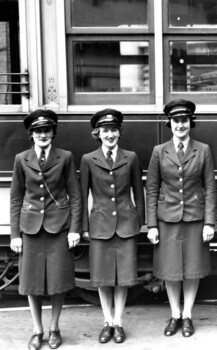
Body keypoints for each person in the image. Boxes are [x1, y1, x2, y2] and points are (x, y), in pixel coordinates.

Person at [10, 110, 82, 350]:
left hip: (58, 227)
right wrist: (14, 234)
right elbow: (16, 198)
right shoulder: (22, 159)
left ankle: (54, 328)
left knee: (57, 281)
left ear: (53, 133)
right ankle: (37, 329)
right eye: (38, 131)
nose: (43, 135)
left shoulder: (66, 157)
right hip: (30, 228)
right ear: (31, 134)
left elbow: (75, 195)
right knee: (32, 281)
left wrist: (74, 229)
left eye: (47, 130)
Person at [146, 99, 216, 338]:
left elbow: (210, 186)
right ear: (170, 123)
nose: (180, 125)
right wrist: (152, 225)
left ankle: (187, 315)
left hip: (195, 218)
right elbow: (152, 188)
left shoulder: (203, 149)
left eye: (184, 120)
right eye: (176, 121)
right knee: (171, 269)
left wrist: (209, 222)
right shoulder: (159, 151)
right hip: (168, 219)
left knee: (192, 269)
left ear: (190, 122)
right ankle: (174, 314)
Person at [80, 108, 145, 344]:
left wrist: (140, 221)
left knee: (123, 276)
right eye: (106, 130)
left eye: (114, 130)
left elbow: (139, 191)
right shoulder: (88, 159)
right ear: (97, 133)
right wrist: (84, 226)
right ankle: (106, 321)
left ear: (120, 132)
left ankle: (118, 322)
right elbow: (81, 193)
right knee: (103, 277)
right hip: (100, 225)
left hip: (126, 225)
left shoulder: (131, 157)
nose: (110, 135)